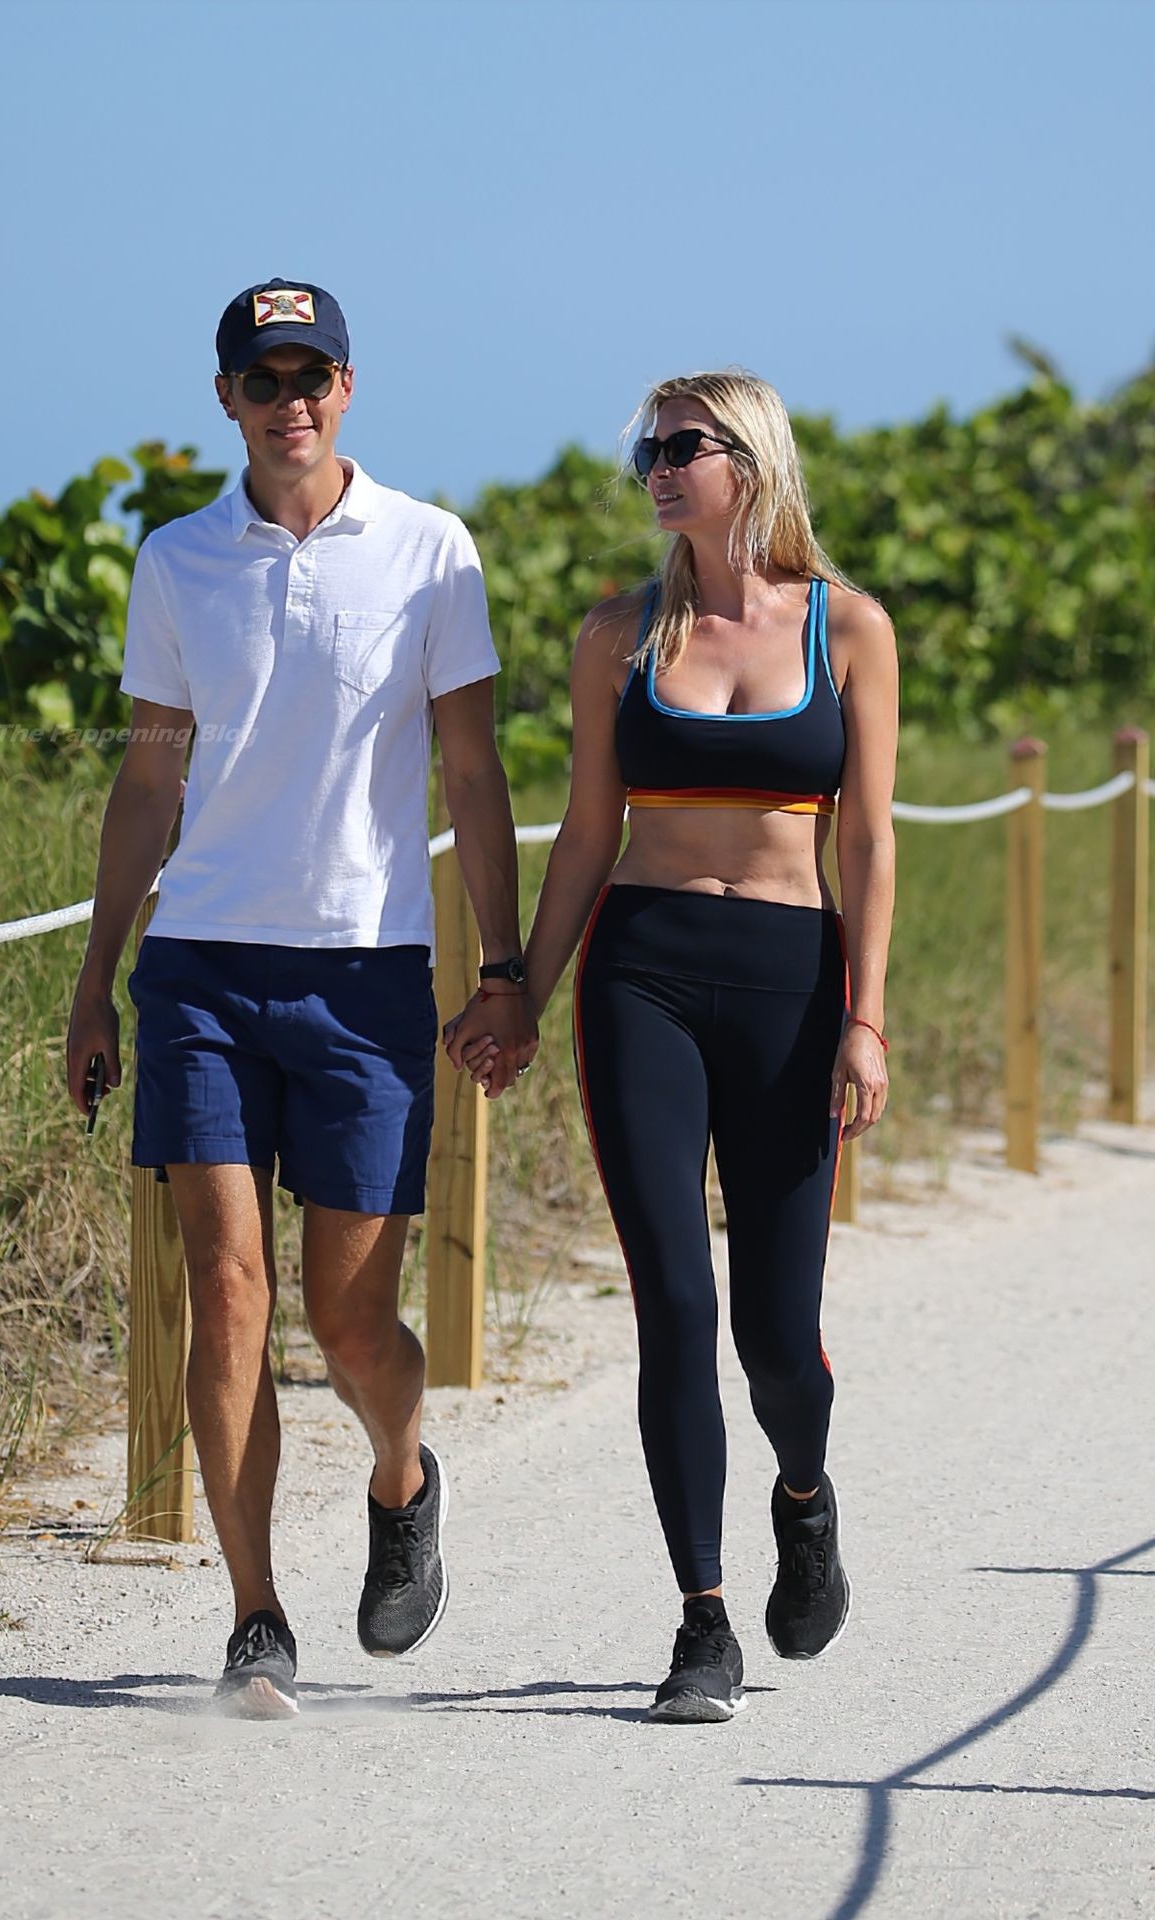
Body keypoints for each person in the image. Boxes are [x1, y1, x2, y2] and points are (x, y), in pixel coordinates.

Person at [66, 278, 537, 1719]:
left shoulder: (430, 549)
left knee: (349, 1323)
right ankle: (255, 1617)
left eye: (311, 375)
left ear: (347, 386)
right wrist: (97, 982)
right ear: (225, 397)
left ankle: (401, 1475)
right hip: (202, 972)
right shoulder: (176, 561)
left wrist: (504, 968)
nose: (290, 402)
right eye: (263, 379)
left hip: (366, 974)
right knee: (227, 1293)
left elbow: (471, 770)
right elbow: (150, 776)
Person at [447, 368, 897, 1723]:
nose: (654, 468)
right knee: (675, 1308)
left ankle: (803, 1499)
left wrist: (866, 1019)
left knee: (776, 1336)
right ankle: (702, 1619)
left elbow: (870, 842)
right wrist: (518, 989)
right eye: (645, 450)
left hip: (790, 983)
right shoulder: (617, 635)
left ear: (748, 461)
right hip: (641, 975)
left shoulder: (848, 627)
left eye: (680, 447)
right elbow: (590, 829)